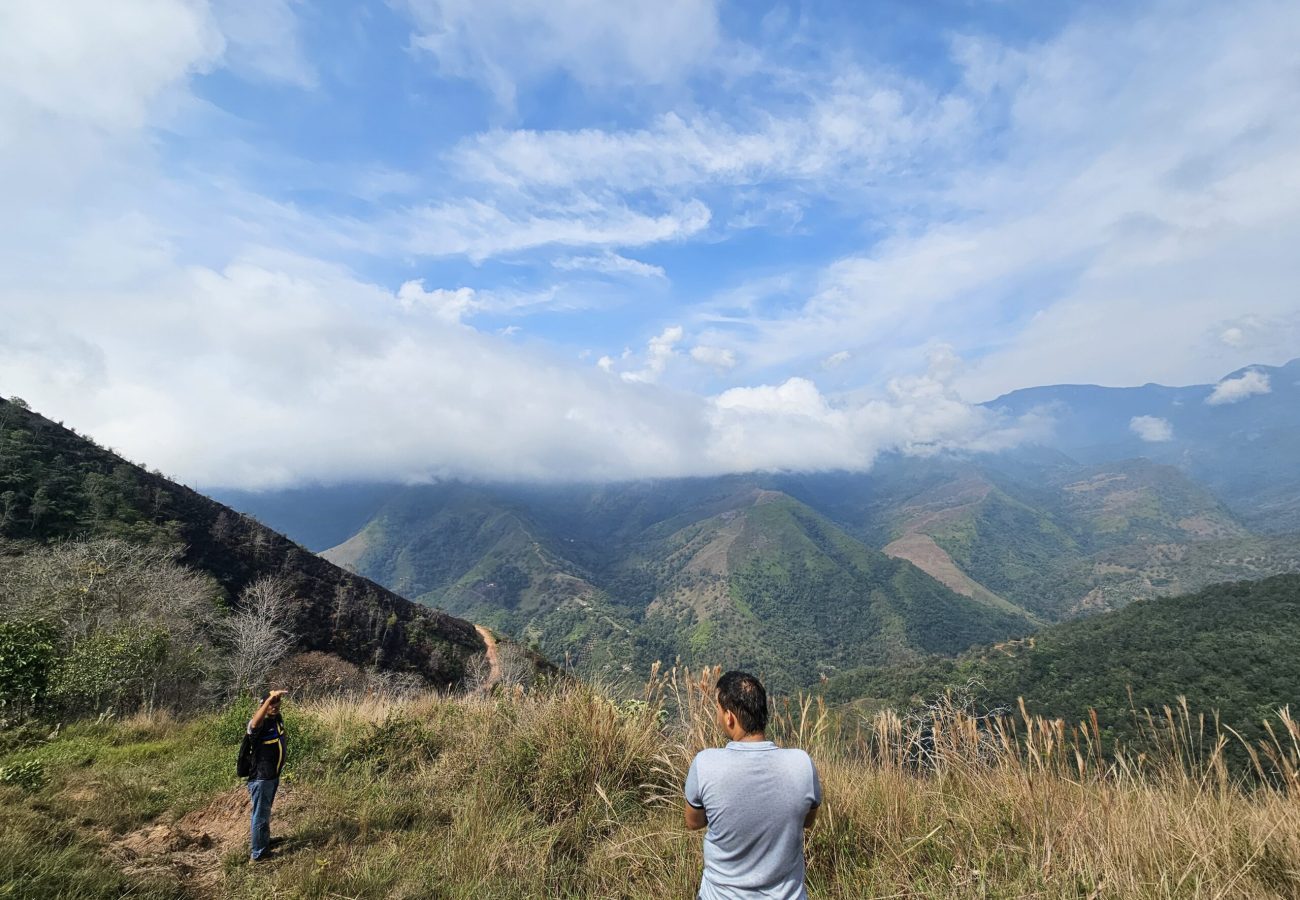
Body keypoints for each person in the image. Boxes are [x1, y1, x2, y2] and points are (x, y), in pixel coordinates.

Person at [684, 671, 822, 900]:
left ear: (729, 717)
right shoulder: (802, 764)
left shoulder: (705, 764)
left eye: (718, 710)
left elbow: (693, 822)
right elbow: (807, 821)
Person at [246, 689, 289, 862]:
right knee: (260, 815)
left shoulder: (276, 720)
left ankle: (264, 841)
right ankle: (259, 854)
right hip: (261, 778)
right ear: (263, 705)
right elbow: (254, 724)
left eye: (277, 703)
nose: (274, 706)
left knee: (265, 812)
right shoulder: (258, 724)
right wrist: (268, 700)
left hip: (272, 775)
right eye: (270, 704)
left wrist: (275, 699)